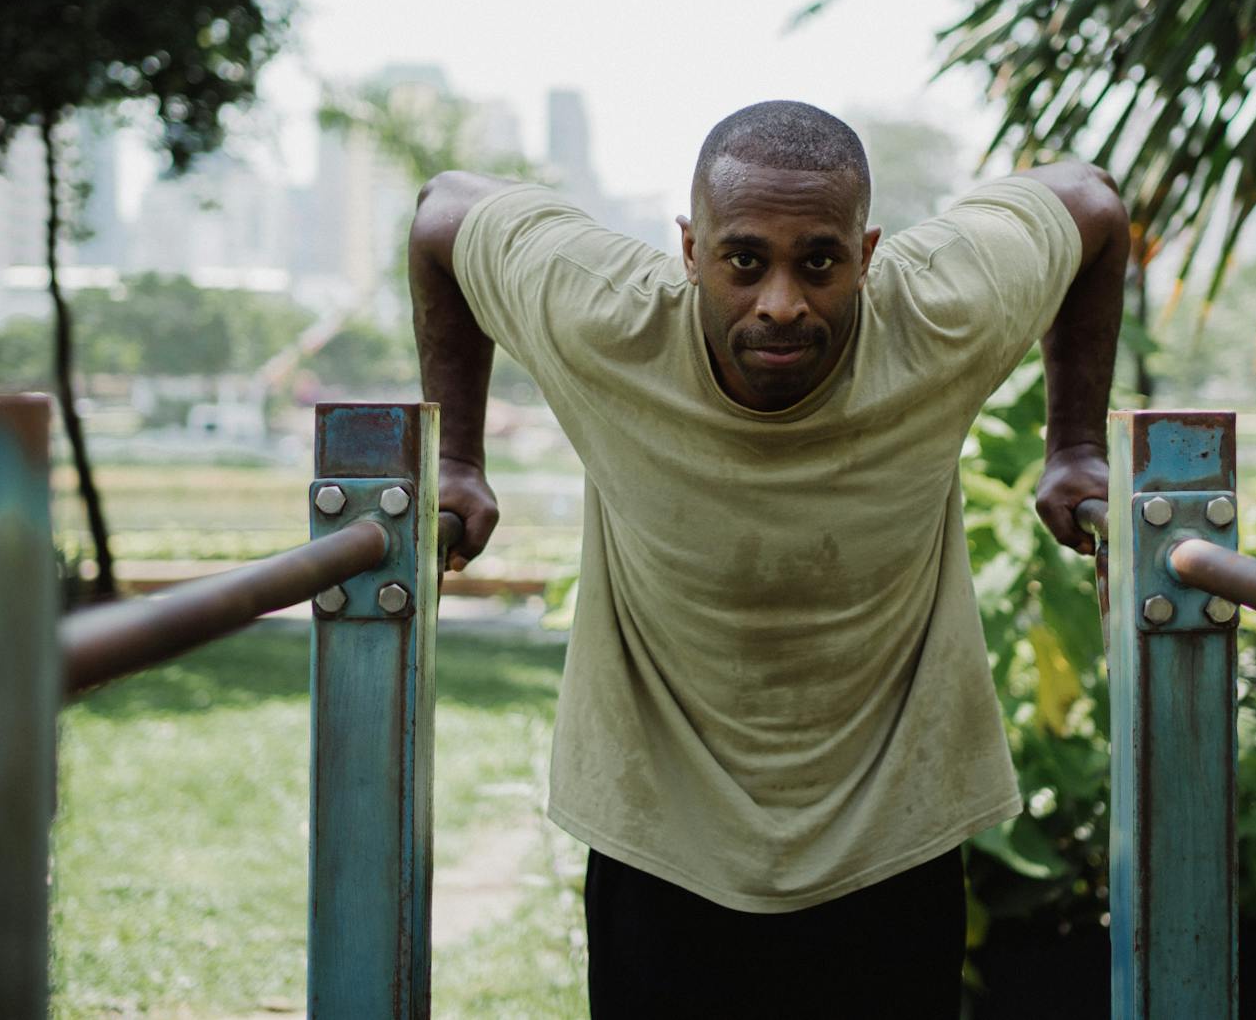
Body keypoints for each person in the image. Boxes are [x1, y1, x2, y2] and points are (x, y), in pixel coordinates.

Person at [407, 99, 1125, 1018]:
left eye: (818, 262)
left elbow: (1093, 204)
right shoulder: (602, 311)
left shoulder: (940, 307)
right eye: (744, 260)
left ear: (867, 256)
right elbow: (442, 214)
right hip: (660, 838)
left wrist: (1075, 445)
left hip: (891, 842)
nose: (780, 302)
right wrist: (457, 459)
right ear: (690, 250)